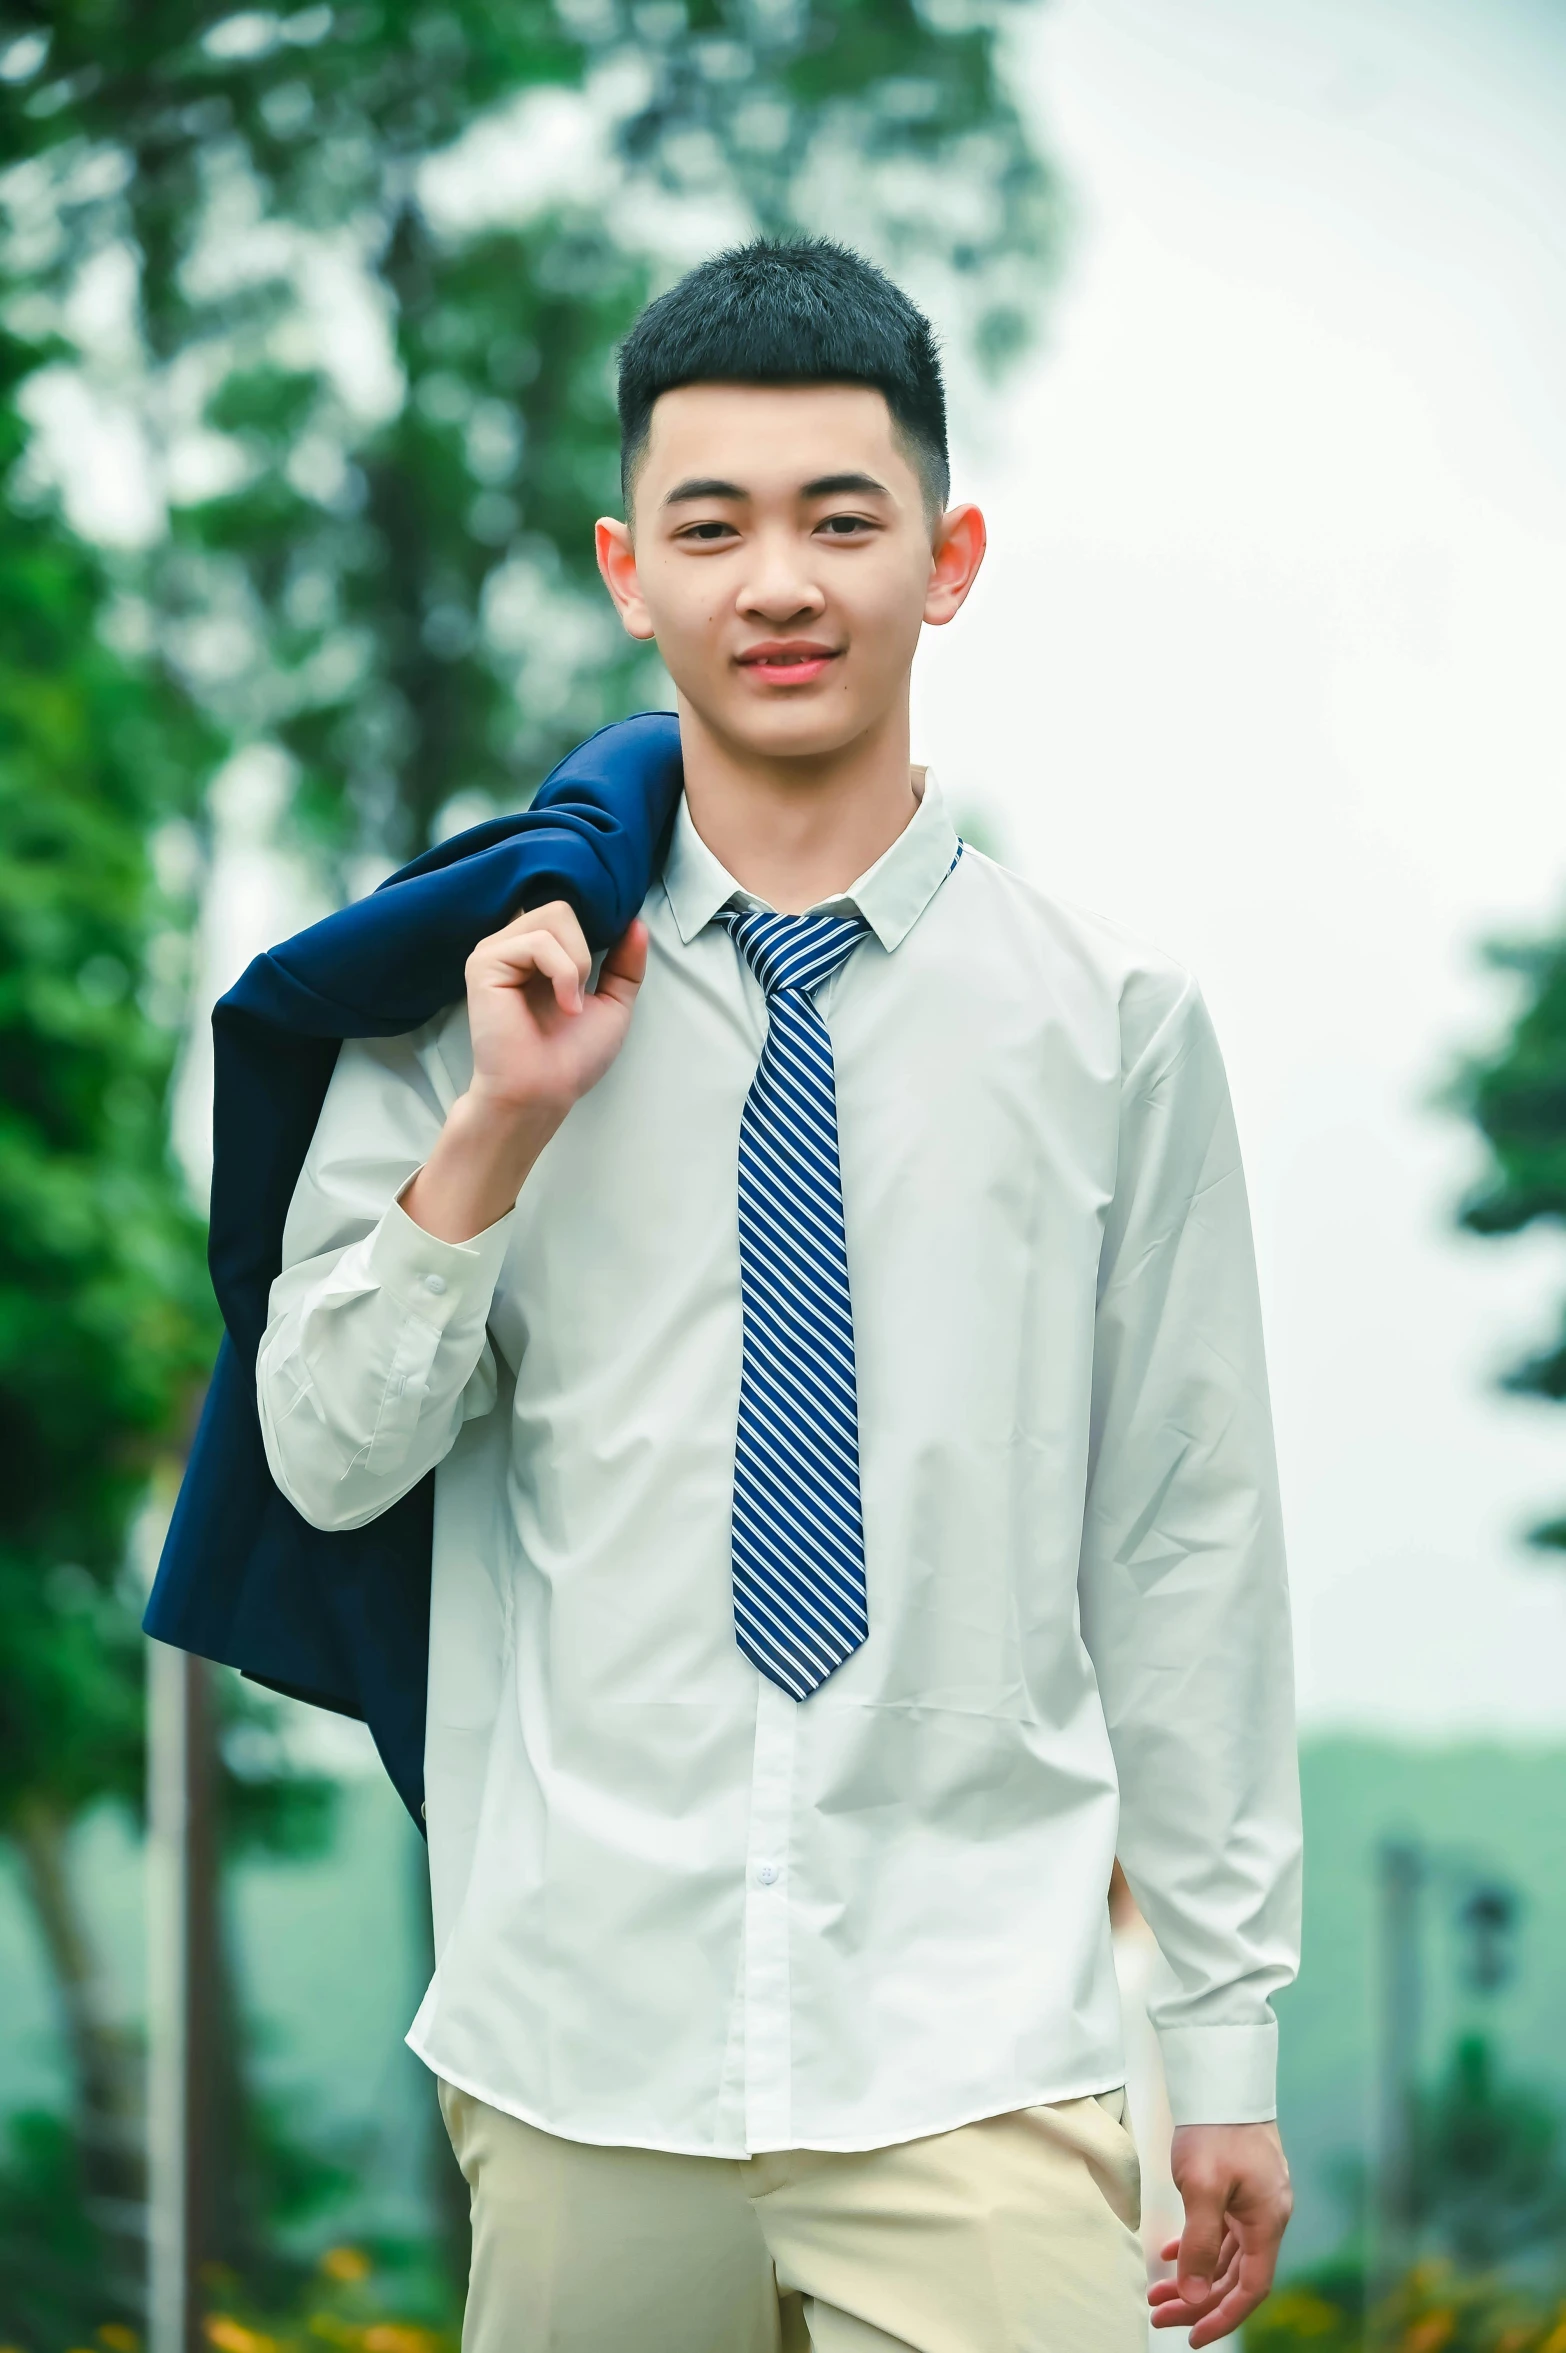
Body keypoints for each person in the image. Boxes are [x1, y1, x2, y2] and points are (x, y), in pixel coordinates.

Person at [256, 238, 1301, 2353]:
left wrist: (1229, 2047)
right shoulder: (462, 1015)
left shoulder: (1110, 1032)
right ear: (631, 570)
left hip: (978, 2057)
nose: (782, 583)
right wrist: (500, 1135)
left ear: (953, 555)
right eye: (715, 528)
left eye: (845, 518)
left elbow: (1185, 1553)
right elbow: (329, 1459)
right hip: (579, 2055)